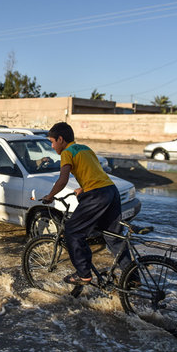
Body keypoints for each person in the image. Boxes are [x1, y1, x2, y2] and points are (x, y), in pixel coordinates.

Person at [41, 122, 128, 285]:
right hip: (111, 191)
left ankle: (83, 274)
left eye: (52, 142)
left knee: (73, 232)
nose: (52, 146)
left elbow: (63, 180)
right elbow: (95, 173)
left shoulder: (67, 153)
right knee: (114, 237)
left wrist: (50, 196)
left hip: (97, 195)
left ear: (61, 139)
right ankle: (132, 276)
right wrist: (83, 188)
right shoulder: (85, 148)